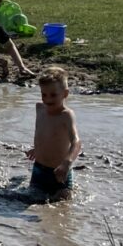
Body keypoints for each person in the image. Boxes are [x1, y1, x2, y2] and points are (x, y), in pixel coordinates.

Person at [26, 66, 81, 199]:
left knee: (64, 203)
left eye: (53, 95)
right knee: (31, 199)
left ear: (65, 94)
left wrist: (67, 162)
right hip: (39, 169)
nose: (48, 99)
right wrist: (37, 148)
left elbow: (76, 141)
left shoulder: (66, 115)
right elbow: (43, 132)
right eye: (44, 94)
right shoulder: (39, 109)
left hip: (60, 172)